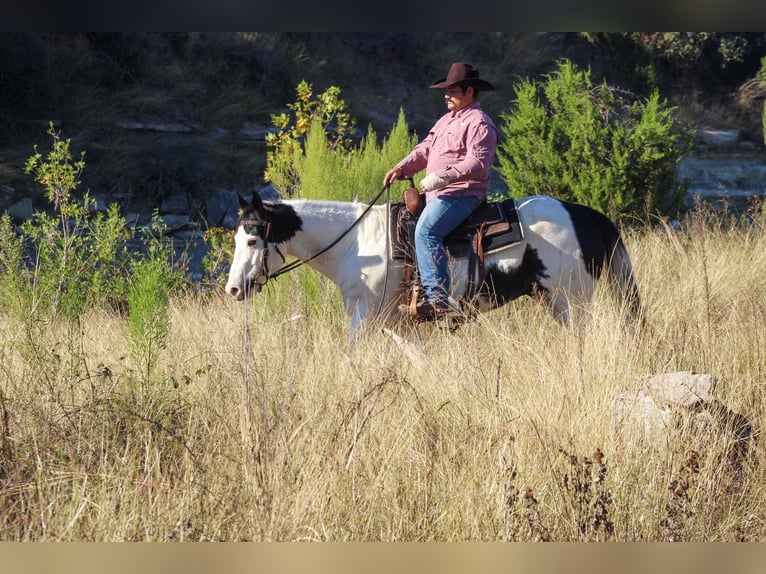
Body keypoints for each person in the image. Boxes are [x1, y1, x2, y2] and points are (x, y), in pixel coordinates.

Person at [383, 62, 499, 320]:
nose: (447, 95)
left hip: (462, 193)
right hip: (440, 193)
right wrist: (401, 168)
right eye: (446, 90)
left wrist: (442, 177)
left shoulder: (480, 123)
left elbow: (479, 163)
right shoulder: (446, 120)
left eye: (453, 90)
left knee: (426, 231)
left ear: (470, 91)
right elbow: (424, 150)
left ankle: (437, 300)